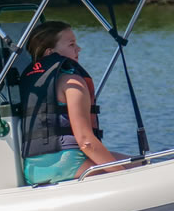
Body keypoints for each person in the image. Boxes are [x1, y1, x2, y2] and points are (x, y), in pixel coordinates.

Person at [18, 21, 125, 185]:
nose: (78, 49)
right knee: (144, 165)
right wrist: (124, 176)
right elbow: (86, 141)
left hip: (33, 172)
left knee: (128, 160)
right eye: (71, 44)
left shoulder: (31, 83)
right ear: (50, 52)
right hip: (70, 166)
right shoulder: (72, 83)